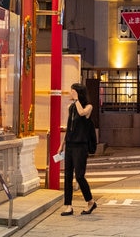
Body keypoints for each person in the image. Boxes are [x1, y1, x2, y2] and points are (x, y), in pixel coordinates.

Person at [58, 83, 98, 216]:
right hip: (70, 144)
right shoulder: (71, 107)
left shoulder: (88, 107)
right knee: (68, 175)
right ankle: (68, 206)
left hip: (81, 146)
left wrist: (76, 100)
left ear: (78, 93)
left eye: (72, 91)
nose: (70, 93)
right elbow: (69, 127)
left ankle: (91, 202)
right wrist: (61, 145)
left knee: (79, 175)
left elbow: (82, 113)